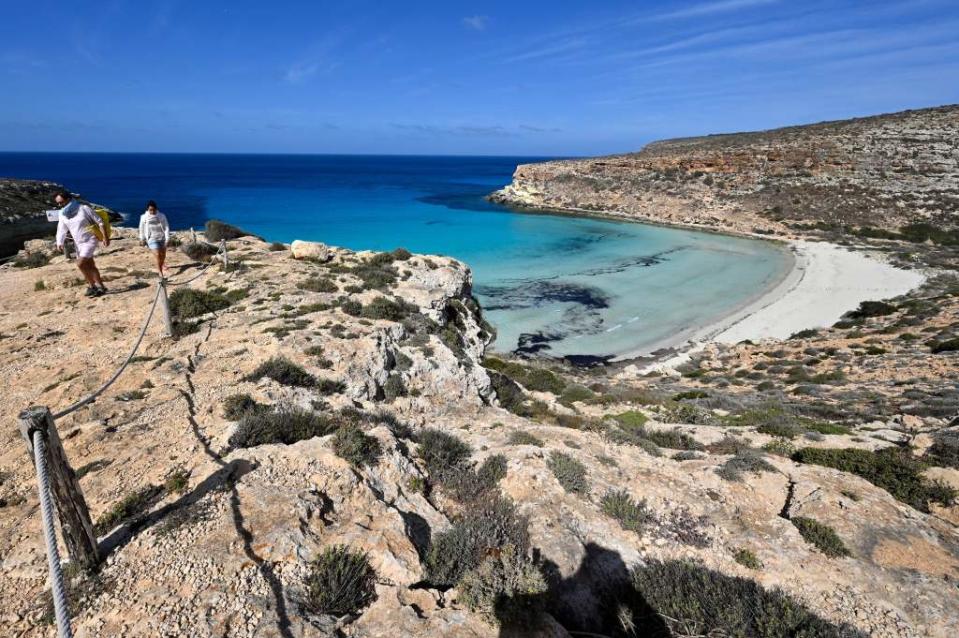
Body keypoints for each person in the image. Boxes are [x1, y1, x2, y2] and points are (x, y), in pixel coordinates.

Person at [54, 190, 109, 297]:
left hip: (90, 239)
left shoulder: (83, 208)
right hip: (78, 243)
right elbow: (61, 229)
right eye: (58, 203)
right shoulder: (62, 214)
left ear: (69, 199)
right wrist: (59, 242)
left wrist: (105, 237)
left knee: (80, 264)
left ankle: (92, 286)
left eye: (61, 202)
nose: (60, 205)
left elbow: (100, 221)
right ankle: (101, 287)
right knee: (90, 265)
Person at [138, 200, 170, 276]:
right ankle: (160, 272)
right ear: (147, 209)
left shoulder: (162, 216)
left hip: (162, 238)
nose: (152, 211)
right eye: (150, 210)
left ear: (156, 209)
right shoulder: (144, 217)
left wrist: (167, 238)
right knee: (158, 255)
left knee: (163, 255)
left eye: (153, 210)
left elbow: (166, 227)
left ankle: (162, 264)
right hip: (151, 238)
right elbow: (141, 228)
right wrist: (142, 238)